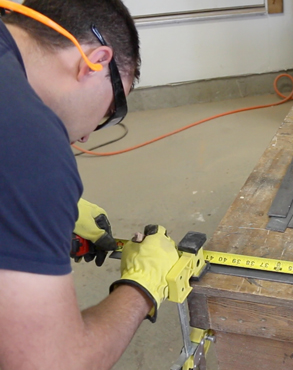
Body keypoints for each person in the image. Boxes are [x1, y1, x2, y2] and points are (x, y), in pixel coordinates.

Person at [0, 1, 180, 369]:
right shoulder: (31, 144)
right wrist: (142, 288)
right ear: (95, 61)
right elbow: (55, 363)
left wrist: (22, 217)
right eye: (112, 110)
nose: (86, 134)